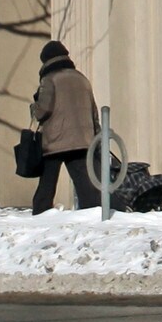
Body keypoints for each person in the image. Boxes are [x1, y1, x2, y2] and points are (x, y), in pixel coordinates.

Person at [30, 39, 101, 214]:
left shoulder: (49, 79)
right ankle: (91, 217)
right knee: (85, 187)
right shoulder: (82, 79)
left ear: (46, 60)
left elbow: (42, 111)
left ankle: (40, 215)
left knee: (47, 186)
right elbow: (94, 112)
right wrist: (95, 136)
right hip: (82, 141)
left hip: (55, 141)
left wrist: (34, 105)